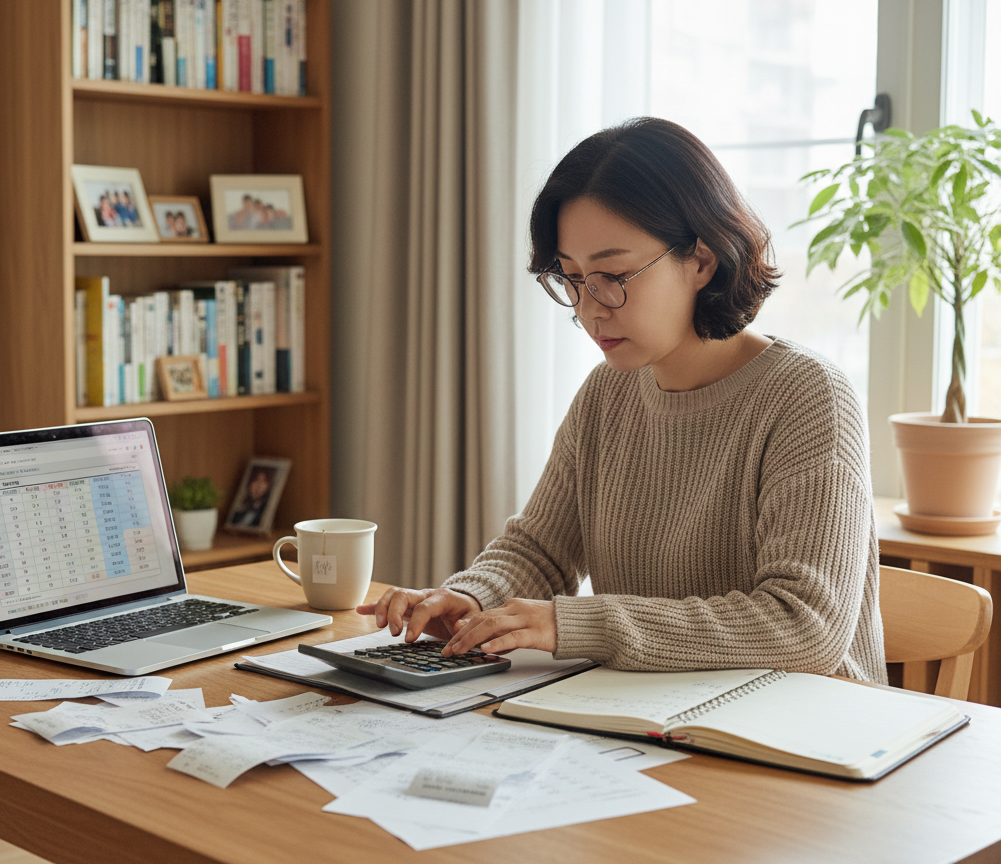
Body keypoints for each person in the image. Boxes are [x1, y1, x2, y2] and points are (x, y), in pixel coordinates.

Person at [358, 117, 887, 684]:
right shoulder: (608, 393)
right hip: (650, 717)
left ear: (702, 261)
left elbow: (803, 626)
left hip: (806, 737)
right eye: (571, 278)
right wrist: (470, 599)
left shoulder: (808, 398)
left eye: (611, 275)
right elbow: (540, 551)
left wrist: (574, 625)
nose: (589, 309)